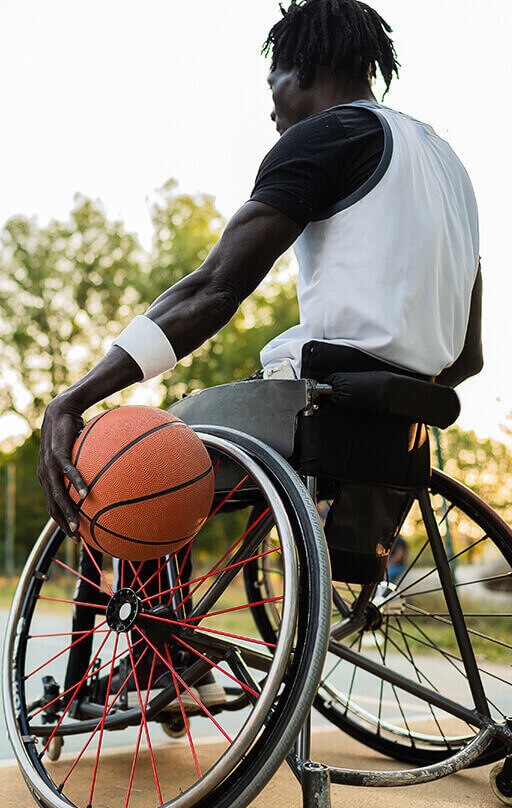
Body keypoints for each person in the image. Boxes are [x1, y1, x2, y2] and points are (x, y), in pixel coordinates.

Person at [37, 0, 483, 708]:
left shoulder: (327, 135)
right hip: (407, 419)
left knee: (124, 452)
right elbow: (470, 354)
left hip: (319, 398)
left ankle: (154, 666)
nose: (271, 108)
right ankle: (163, 658)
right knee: (165, 445)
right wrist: (403, 383)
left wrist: (75, 398)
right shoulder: (449, 169)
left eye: (271, 85)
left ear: (300, 69)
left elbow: (214, 289)